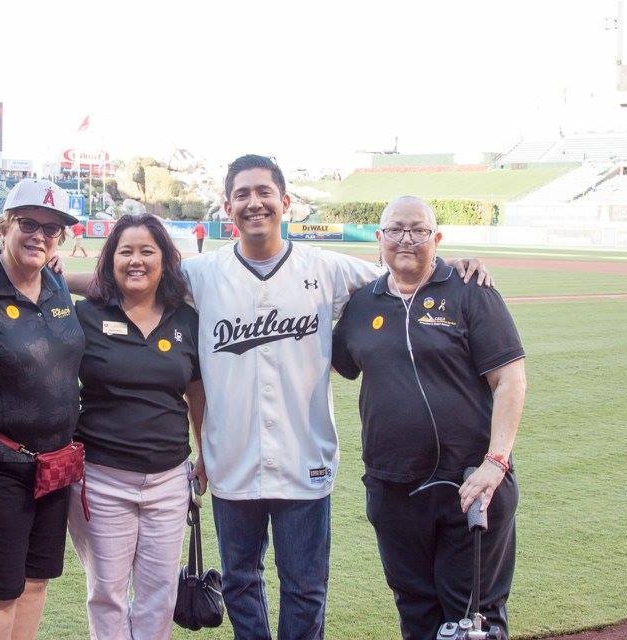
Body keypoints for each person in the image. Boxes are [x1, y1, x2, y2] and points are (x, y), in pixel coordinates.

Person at [180, 155, 492, 640]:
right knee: (242, 582)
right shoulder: (201, 273)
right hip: (230, 456)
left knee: (305, 587)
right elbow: (123, 281)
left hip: (305, 454)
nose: (254, 202)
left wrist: (456, 266)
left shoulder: (327, 268)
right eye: (242, 194)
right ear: (227, 206)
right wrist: (51, 276)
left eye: (264, 192)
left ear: (284, 202)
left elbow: (403, 267)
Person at [331, 196, 526, 640]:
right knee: (416, 612)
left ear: (436, 238)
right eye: (396, 229)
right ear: (378, 239)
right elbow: (332, 362)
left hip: (471, 482)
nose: (407, 239)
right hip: (393, 487)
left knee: (475, 619)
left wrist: (496, 463)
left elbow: (510, 381)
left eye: (419, 230)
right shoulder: (363, 304)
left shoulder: (471, 290)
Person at [0, 179, 85, 639]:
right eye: (28, 224)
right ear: (4, 225)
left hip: (53, 465)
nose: (40, 236)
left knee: (34, 583)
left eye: (52, 230)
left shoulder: (55, 283)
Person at [68, 213, 204, 640]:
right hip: (102, 478)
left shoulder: (186, 319)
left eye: (148, 251)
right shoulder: (86, 315)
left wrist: (206, 453)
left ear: (165, 260)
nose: (136, 260)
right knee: (106, 592)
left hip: (168, 480)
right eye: (125, 251)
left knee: (159, 593)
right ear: (110, 260)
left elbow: (197, 395)